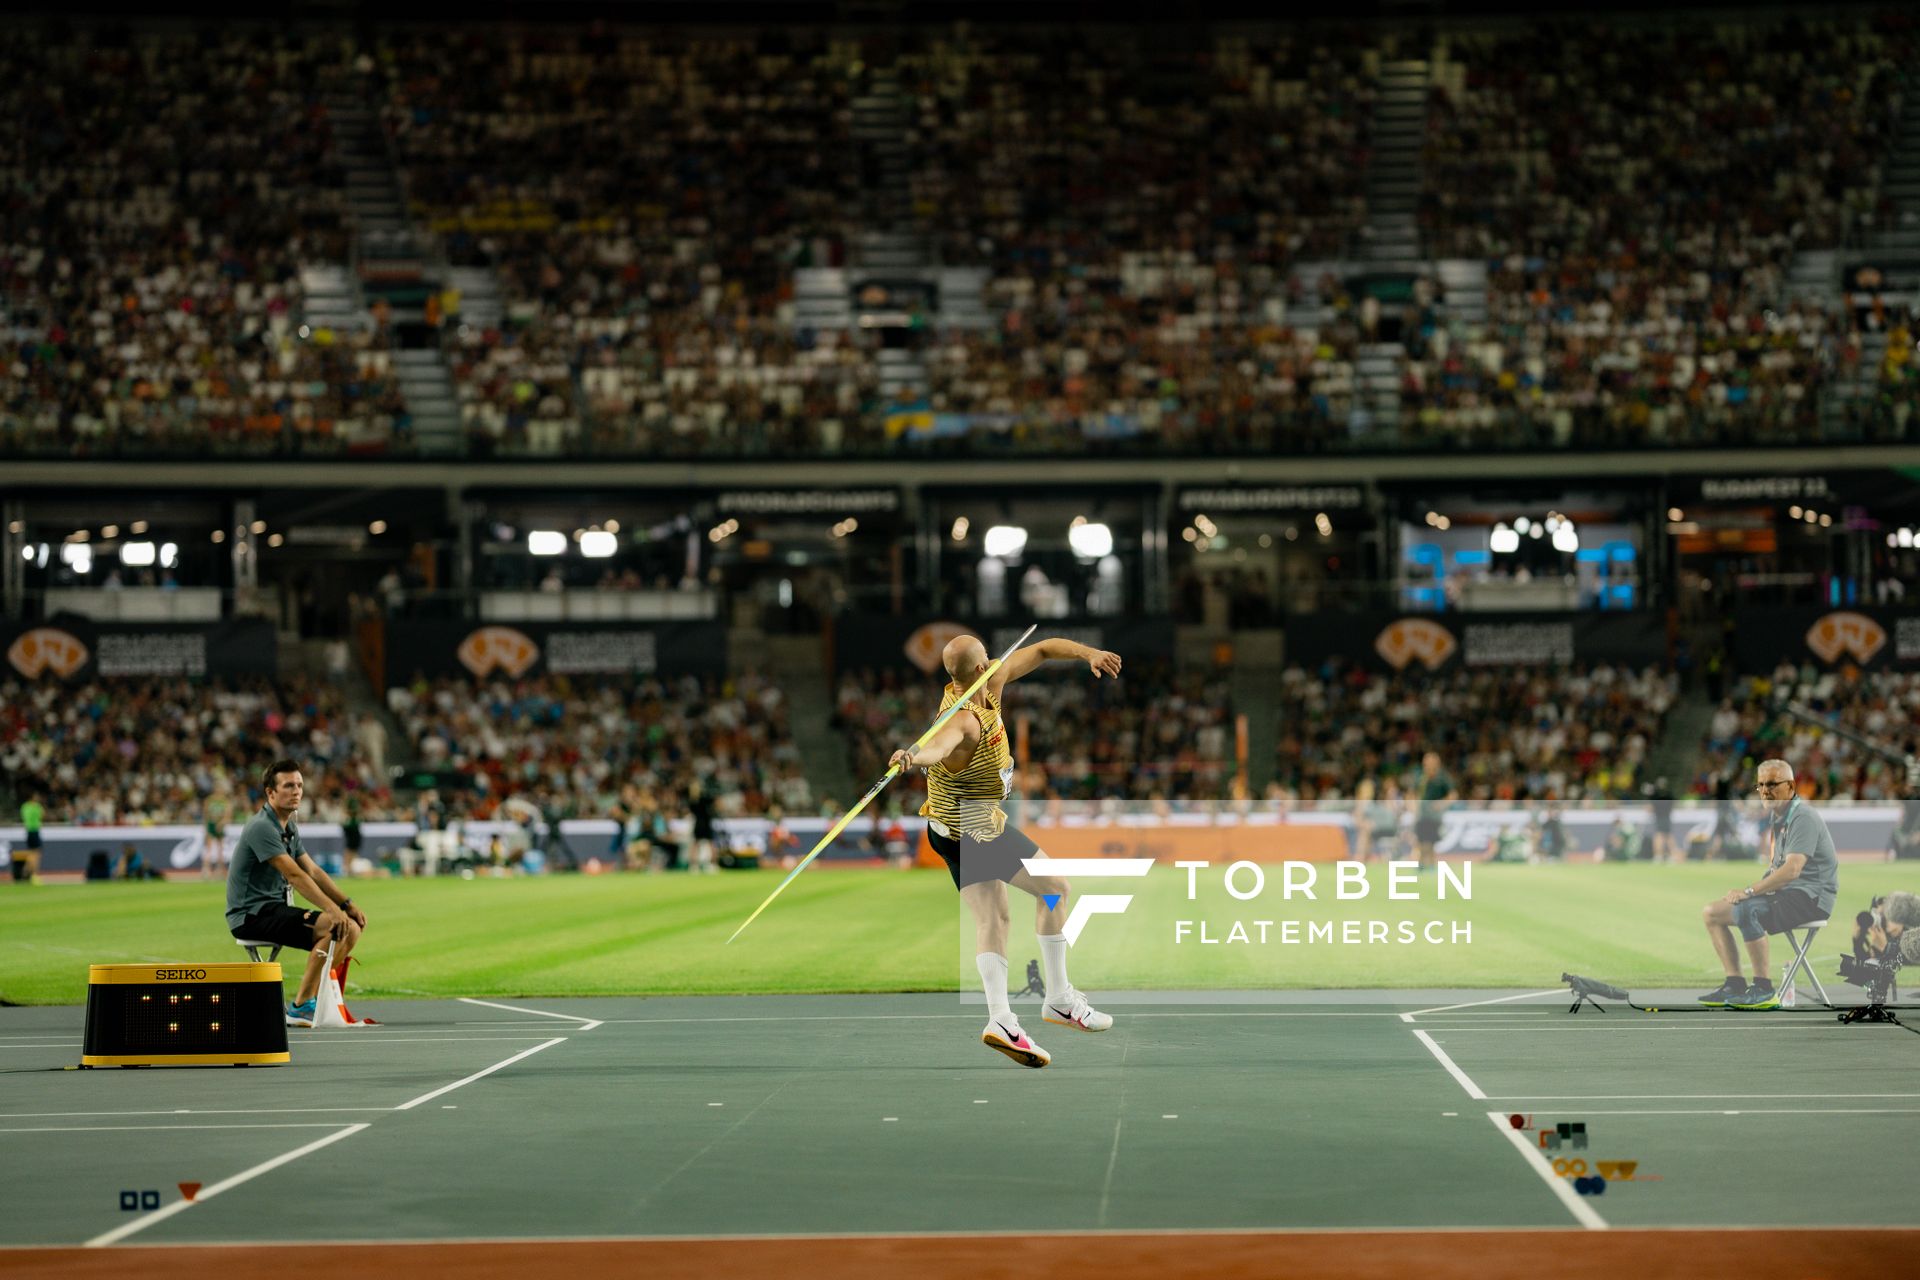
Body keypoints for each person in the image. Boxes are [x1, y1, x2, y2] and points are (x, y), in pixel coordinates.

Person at [889, 633, 1123, 1068]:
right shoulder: (963, 719)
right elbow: (938, 742)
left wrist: (1089, 653)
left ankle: (1001, 1020)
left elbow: (1043, 649)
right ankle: (1059, 998)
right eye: (988, 661)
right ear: (979, 669)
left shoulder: (987, 684)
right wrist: (912, 755)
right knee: (1055, 889)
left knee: (993, 919)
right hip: (976, 827)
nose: (996, 665)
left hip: (944, 828)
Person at [225, 760, 369, 1027]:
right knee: (332, 926)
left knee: (351, 928)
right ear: (270, 793)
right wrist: (331, 909)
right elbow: (295, 874)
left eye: (300, 785)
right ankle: (301, 1005)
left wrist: (346, 904)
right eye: (289, 785)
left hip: (272, 909)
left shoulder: (288, 826)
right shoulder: (262, 827)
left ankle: (314, 998)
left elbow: (312, 870)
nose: (297, 791)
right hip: (250, 915)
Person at [1698, 759, 1839, 1010]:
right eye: (1760, 785)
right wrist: (1752, 890)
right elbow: (1777, 869)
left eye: (1773, 784)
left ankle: (1764, 990)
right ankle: (1735, 984)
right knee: (1712, 913)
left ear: (1791, 786)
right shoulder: (1780, 816)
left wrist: (1749, 892)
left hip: (1811, 898)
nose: (1765, 791)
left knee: (1746, 909)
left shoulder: (1802, 817)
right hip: (1790, 894)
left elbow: (1792, 870)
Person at [1412, 751, 1456, 872]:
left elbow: (1452, 795)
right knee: (1421, 840)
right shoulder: (1420, 777)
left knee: (1431, 840)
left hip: (1435, 815)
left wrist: (1441, 803)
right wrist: (1413, 806)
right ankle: (1421, 864)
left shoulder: (1442, 778)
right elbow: (1413, 794)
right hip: (1421, 813)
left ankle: (1431, 865)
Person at [16, 794, 42, 883]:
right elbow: (41, 815)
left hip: (28, 831)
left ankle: (25, 872)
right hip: (34, 831)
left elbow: (24, 817)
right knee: (36, 854)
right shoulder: (36, 807)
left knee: (32, 853)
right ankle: (33, 875)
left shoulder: (24, 807)